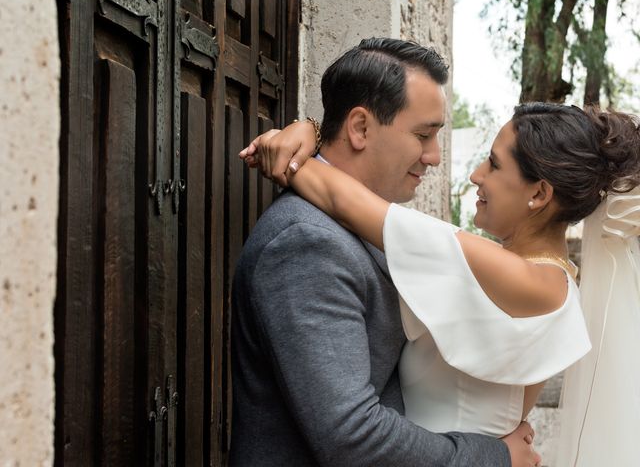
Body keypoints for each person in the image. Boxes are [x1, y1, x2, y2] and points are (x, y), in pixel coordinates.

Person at [242, 101, 640, 466]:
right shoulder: (550, 278)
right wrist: (310, 129)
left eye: (493, 164)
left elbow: (344, 200)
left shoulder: (518, 277)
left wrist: (289, 144)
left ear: (539, 193)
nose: (476, 175)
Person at [230, 37, 539, 467]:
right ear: (359, 127)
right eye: (423, 135)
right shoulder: (307, 242)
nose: (434, 157)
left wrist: (311, 128)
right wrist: (494, 457)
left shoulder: (369, 223)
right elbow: (352, 436)